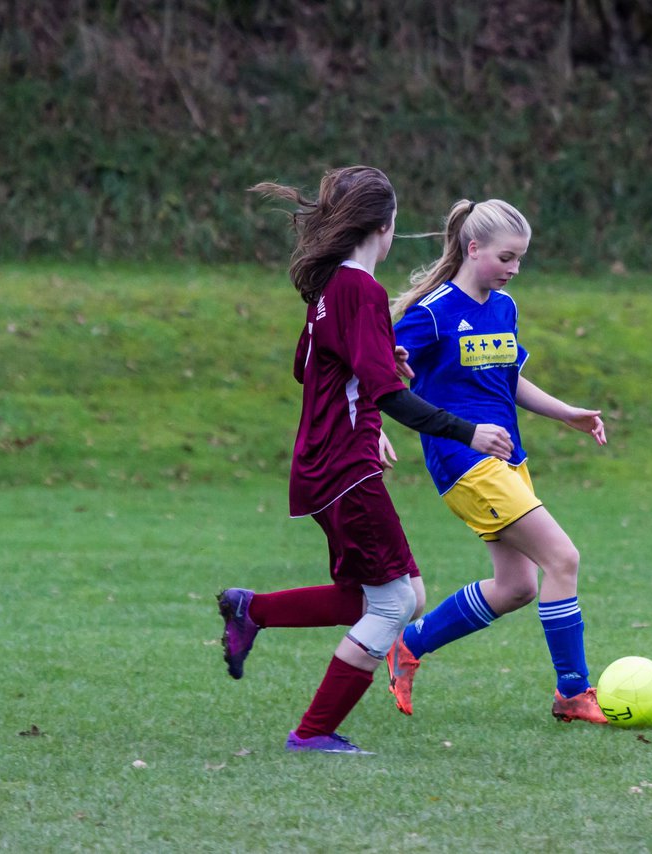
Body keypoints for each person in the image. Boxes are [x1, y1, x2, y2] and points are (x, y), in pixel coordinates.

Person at [217, 168, 513, 754]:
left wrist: (375, 355)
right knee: (394, 602)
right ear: (386, 226)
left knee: (399, 594)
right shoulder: (361, 290)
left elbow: (309, 366)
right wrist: (467, 432)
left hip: (327, 464)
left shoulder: (332, 287)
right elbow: (389, 397)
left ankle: (251, 611)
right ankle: (313, 731)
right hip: (343, 468)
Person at [383, 198, 610, 725]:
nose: (513, 270)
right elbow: (379, 372)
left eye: (520, 261)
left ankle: (408, 646)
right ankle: (572, 692)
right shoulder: (433, 312)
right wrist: (370, 428)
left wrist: (566, 413)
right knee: (563, 559)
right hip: (463, 461)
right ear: (474, 247)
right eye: (506, 258)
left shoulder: (503, 309)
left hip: (508, 458)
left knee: (516, 588)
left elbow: (509, 379)